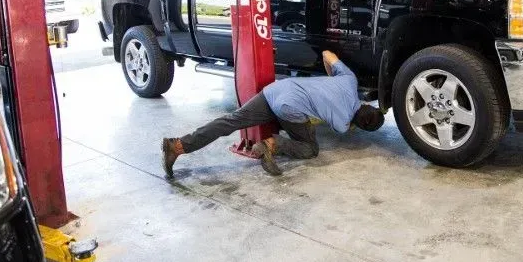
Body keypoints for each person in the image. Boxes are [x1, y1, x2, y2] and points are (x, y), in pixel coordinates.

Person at [161, 50, 384, 177]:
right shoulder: (343, 125)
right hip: (290, 109)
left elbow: (327, 54)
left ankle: (179, 145)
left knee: (231, 121)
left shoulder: (349, 79)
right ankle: (270, 145)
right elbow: (320, 121)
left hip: (275, 91)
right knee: (310, 148)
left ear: (369, 105)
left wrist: (331, 78)